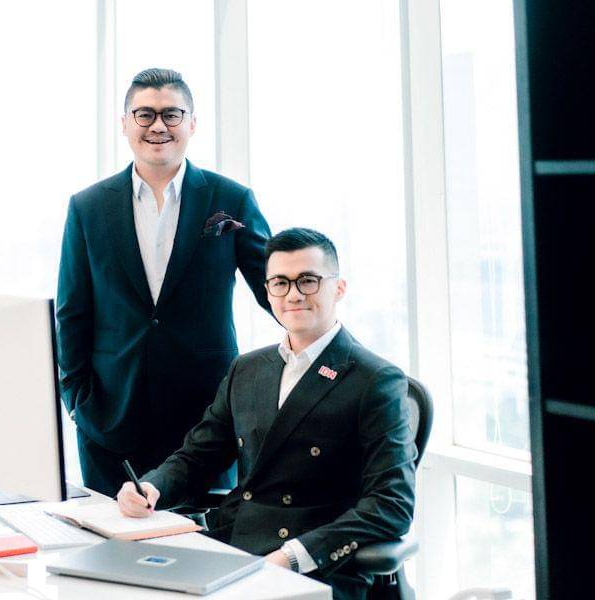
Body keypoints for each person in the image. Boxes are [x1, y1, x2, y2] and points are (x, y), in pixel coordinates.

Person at [117, 228, 417, 599]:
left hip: (315, 569)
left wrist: (292, 557)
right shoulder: (247, 369)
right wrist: (151, 488)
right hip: (232, 548)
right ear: (268, 291)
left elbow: (391, 504)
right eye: (280, 283)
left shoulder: (375, 379)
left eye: (308, 281)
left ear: (338, 288)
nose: (293, 294)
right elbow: (198, 457)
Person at [56, 68, 271, 497]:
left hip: (206, 423)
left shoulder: (230, 199)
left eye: (172, 114)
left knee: (206, 539)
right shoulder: (88, 207)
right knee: (110, 538)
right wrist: (79, 404)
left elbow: (275, 289)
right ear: (125, 123)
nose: (158, 126)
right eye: (145, 114)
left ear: (192, 123)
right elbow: (72, 313)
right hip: (110, 424)